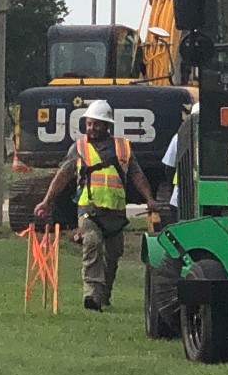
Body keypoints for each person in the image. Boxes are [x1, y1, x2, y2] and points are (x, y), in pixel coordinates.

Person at [33, 100, 162, 311]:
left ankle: (104, 295)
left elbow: (137, 175)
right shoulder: (79, 148)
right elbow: (63, 175)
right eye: (89, 124)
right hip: (88, 210)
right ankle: (91, 295)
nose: (92, 128)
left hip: (115, 212)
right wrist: (47, 201)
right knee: (92, 244)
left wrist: (149, 198)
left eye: (96, 124)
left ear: (106, 125)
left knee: (113, 254)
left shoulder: (123, 147)